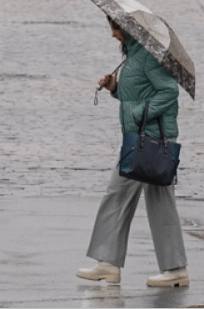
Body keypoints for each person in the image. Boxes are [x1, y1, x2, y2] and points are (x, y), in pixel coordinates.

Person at [77, 18, 188, 288]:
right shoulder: (134, 56)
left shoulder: (147, 57)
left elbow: (168, 91)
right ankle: (121, 265)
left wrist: (140, 114)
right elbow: (138, 92)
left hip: (151, 139)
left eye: (115, 29)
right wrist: (115, 88)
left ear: (127, 29)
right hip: (141, 138)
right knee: (140, 198)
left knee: (125, 196)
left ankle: (113, 264)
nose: (113, 35)